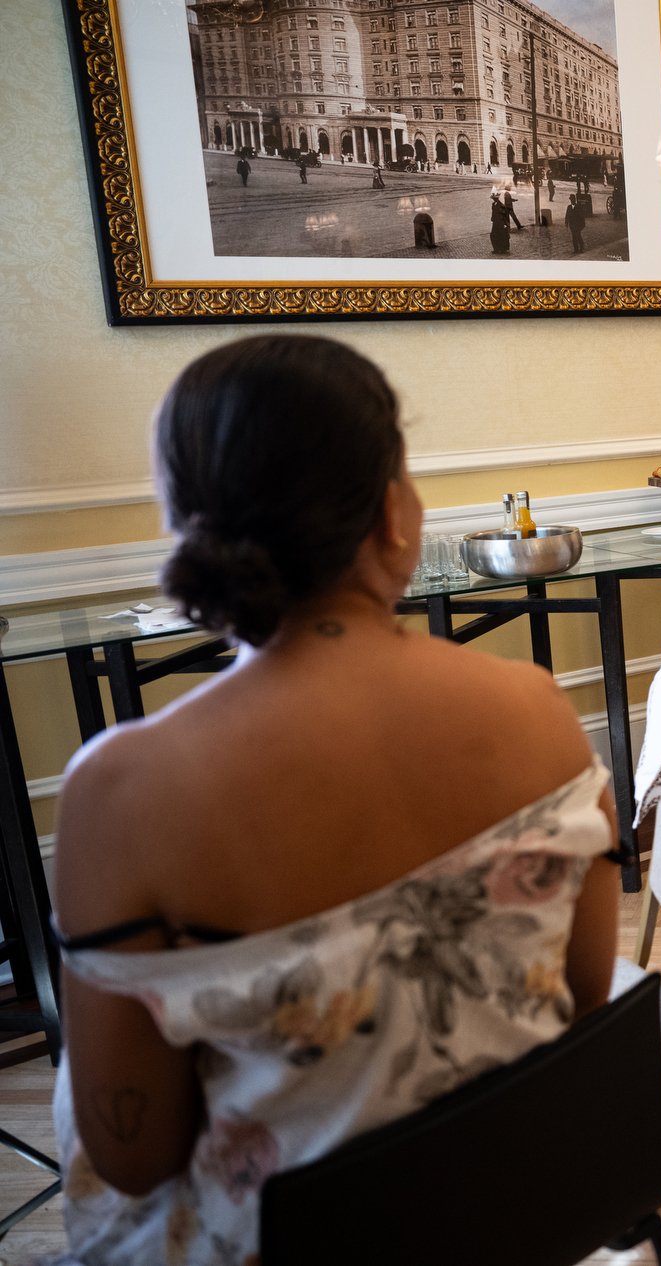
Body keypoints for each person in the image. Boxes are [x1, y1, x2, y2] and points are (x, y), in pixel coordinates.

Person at [48, 335, 623, 1264]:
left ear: (189, 528)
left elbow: (135, 1155)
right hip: (521, 1213)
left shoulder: (119, 792)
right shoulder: (534, 710)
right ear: (394, 516)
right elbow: (583, 996)